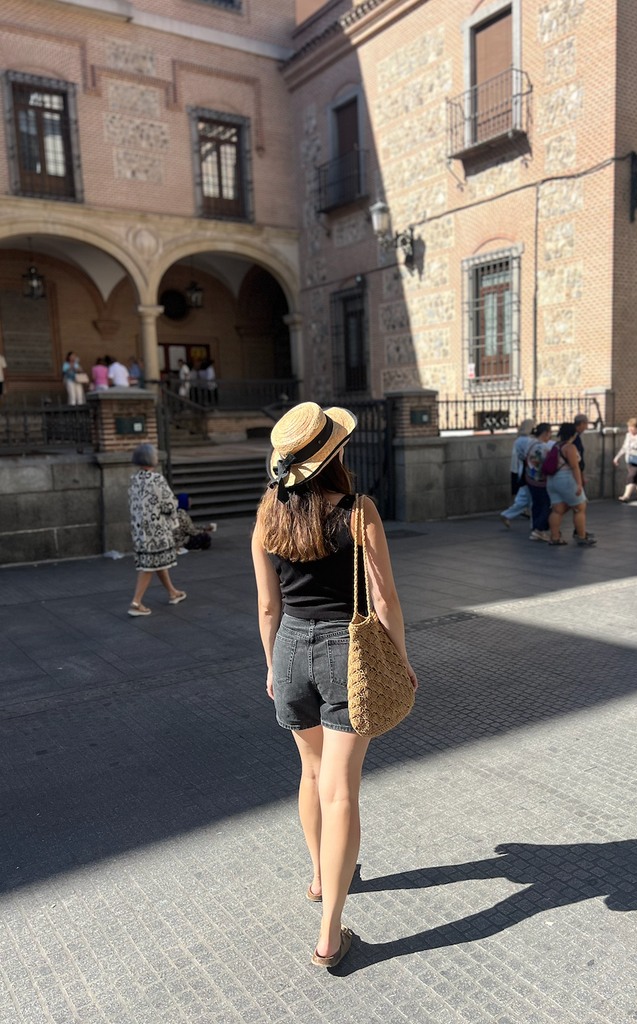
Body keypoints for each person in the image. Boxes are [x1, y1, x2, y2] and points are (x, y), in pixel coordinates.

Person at [251, 401, 417, 970]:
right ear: (332, 455)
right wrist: (399, 657)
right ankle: (329, 936)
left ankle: (321, 876)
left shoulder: (268, 513)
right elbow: (385, 598)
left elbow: (268, 606)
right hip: (348, 652)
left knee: (312, 773)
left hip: (291, 649)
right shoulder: (357, 511)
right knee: (342, 790)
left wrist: (273, 664)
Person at [127, 443, 187, 616]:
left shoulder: (135, 480)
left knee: (157, 563)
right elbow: (169, 504)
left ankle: (172, 592)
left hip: (140, 532)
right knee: (149, 567)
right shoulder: (156, 479)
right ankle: (136, 603)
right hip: (157, 532)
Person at [546, 422, 595, 546]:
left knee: (557, 510)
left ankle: (555, 537)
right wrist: (579, 484)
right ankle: (581, 536)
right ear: (573, 434)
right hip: (566, 480)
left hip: (552, 480)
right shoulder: (570, 448)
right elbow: (575, 467)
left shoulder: (555, 445)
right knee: (580, 508)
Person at [499, 418, 535, 527]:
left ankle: (507, 514)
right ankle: (535, 523)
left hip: (519, 470)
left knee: (524, 497)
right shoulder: (528, 441)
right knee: (532, 497)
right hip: (527, 471)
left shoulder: (519, 440)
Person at [524, 422, 554, 542]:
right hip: (540, 480)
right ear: (546, 433)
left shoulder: (529, 443)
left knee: (536, 504)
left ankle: (535, 527)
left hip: (530, 478)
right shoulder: (542, 447)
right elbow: (546, 464)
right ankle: (540, 529)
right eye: (550, 433)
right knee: (546, 505)